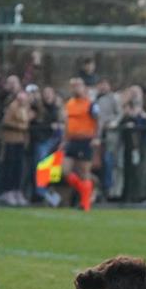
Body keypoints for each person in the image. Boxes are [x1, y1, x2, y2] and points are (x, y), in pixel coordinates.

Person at [62, 78, 100, 211]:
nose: (75, 89)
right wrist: (64, 140)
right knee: (65, 171)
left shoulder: (90, 104)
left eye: (77, 86)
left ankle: (85, 204)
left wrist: (96, 137)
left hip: (85, 140)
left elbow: (98, 120)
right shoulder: (69, 104)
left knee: (84, 172)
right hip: (72, 140)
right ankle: (87, 192)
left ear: (84, 88)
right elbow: (67, 124)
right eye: (73, 86)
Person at [0, 91, 33, 206]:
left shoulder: (26, 108)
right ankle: (8, 191)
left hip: (21, 141)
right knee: (10, 166)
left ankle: (17, 191)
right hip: (11, 141)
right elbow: (6, 121)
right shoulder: (12, 107)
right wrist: (20, 127)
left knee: (19, 167)